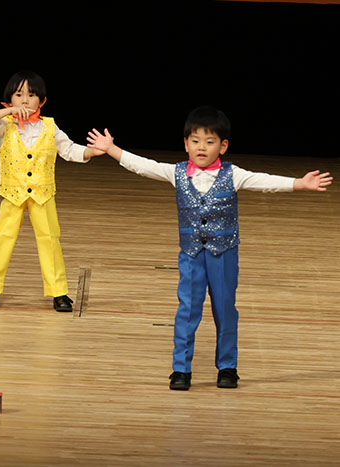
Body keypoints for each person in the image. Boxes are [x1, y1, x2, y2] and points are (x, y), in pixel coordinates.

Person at [87, 105, 332, 390]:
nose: (201, 147)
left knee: (225, 310)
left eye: (209, 141)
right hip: (191, 255)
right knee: (188, 310)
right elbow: (144, 166)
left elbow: (263, 181)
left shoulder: (233, 174)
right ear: (186, 144)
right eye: (195, 141)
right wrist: (112, 149)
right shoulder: (176, 172)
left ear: (223, 146)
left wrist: (299, 183)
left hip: (224, 254)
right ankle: (181, 369)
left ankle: (227, 367)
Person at [0, 71, 104, 312]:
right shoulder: (4, 126)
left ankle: (59, 292)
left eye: (31, 95)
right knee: (1, 237)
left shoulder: (50, 127)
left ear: (42, 101)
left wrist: (92, 152)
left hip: (42, 194)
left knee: (49, 239)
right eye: (18, 95)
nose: (24, 100)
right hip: (12, 193)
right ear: (9, 99)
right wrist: (8, 112)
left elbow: (70, 150)